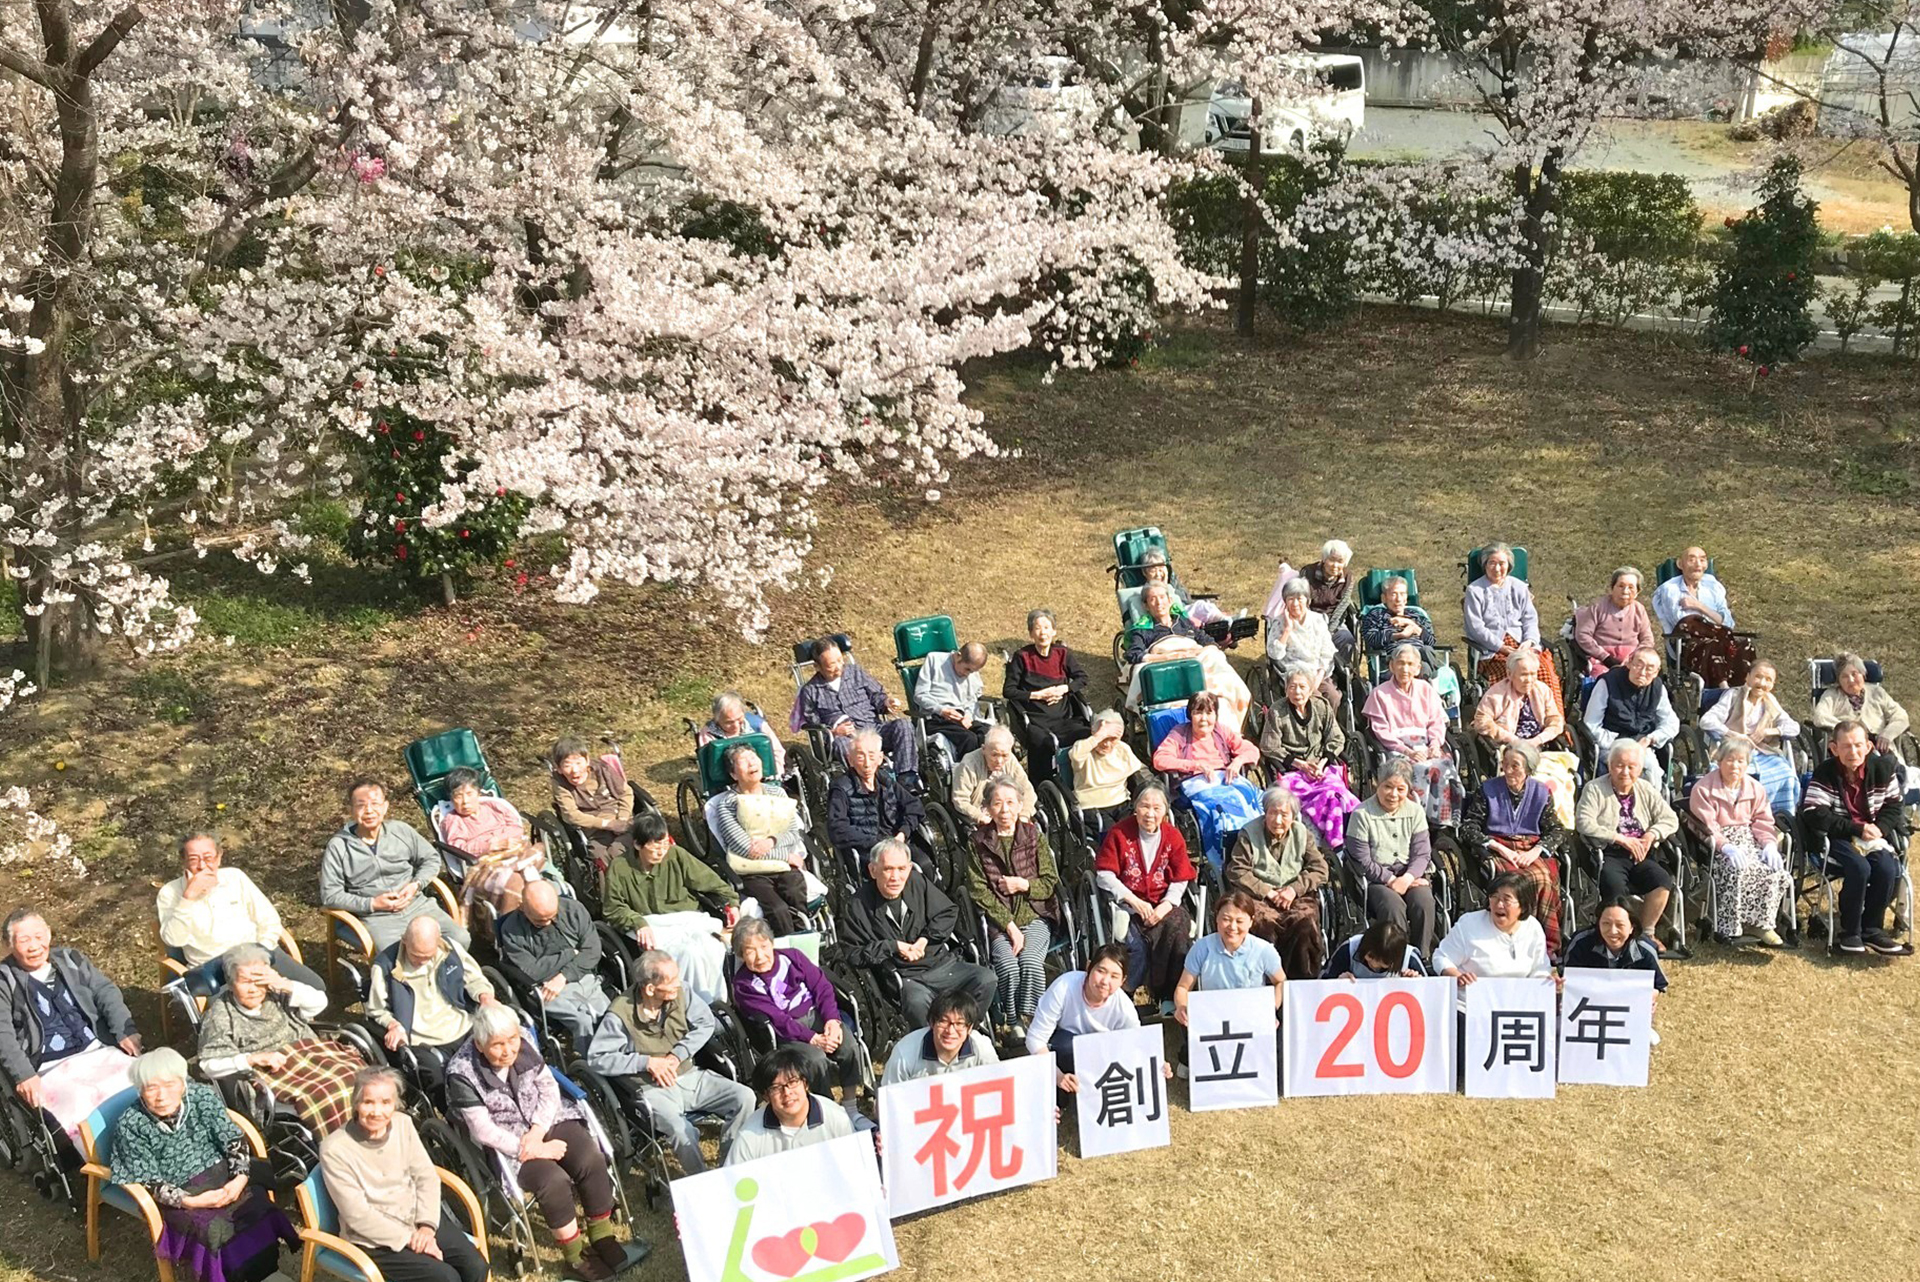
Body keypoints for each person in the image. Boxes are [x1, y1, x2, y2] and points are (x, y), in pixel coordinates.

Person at [445, 1004, 628, 1278]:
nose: (508, 1050)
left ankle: (602, 1235)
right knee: (553, 1181)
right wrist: (530, 1147)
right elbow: (482, 1130)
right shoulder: (461, 1072)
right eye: (497, 1045)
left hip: (547, 1118)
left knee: (591, 1157)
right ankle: (575, 1255)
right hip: (506, 1140)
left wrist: (539, 1130)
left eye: (512, 1040)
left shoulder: (525, 1042)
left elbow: (548, 1087)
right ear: (480, 1044)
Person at [106, 1048, 298, 1282]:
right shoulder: (130, 1124)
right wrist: (190, 1201)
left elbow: (232, 1138)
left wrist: (239, 1179)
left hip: (222, 1173)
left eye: (169, 1084)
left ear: (183, 1082)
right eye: (151, 1087)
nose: (161, 1096)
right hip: (179, 1192)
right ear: (140, 1090)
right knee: (213, 1230)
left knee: (256, 1206)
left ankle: (267, 1271)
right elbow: (148, 1178)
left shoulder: (201, 1096)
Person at [582, 951, 757, 1171]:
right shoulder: (620, 1015)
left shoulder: (682, 992)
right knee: (680, 1130)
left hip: (690, 1076)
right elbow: (598, 1058)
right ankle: (700, 1178)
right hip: (651, 1089)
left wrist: (678, 1054)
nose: (678, 983)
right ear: (650, 989)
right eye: (671, 980)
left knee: (745, 1097)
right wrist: (646, 1063)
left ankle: (730, 1167)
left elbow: (705, 1023)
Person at [319, 1068, 489, 1282]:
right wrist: (411, 1239)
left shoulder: (403, 1124)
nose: (376, 1112)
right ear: (355, 1104)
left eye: (385, 1103)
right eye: (368, 1102)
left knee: (476, 1266)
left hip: (418, 1217)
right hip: (375, 1237)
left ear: (395, 1104)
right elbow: (358, 1215)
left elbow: (426, 1176)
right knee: (445, 1278)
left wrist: (426, 1228)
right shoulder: (334, 1148)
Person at [0, 910, 141, 1143]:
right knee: (83, 1101)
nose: (34, 946)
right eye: (24, 940)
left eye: (39, 936)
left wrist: (124, 1030)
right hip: (50, 1066)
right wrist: (23, 1074)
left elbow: (105, 992)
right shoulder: (4, 981)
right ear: (9, 945)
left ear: (49, 934)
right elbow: (2, 1033)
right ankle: (107, 1156)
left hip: (97, 1050)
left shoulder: (71, 959)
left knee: (138, 1081)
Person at [197, 944, 365, 1136]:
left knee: (361, 1078)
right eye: (245, 982)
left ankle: (371, 1130)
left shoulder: (277, 993)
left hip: (310, 1055)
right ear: (231, 982)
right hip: (271, 1074)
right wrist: (252, 1059)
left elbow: (319, 1004)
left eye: (259, 981)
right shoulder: (221, 1015)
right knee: (327, 1093)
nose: (253, 989)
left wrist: (287, 985)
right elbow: (208, 1064)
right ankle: (341, 1143)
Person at [840, 839, 997, 1026]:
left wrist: (924, 940)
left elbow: (947, 912)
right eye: (888, 869)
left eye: (901, 869)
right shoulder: (857, 905)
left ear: (909, 868)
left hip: (943, 965)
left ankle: (962, 1031)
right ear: (873, 870)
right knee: (916, 1003)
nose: (895, 877)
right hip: (907, 977)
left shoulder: (917, 882)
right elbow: (853, 954)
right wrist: (893, 946)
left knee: (986, 979)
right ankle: (932, 1045)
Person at [157, 831, 325, 997]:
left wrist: (261, 954)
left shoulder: (235, 878)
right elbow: (174, 940)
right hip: (215, 968)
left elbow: (269, 920)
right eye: (194, 859)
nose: (202, 866)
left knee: (314, 988)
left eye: (208, 858)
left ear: (219, 857)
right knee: (237, 1013)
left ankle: (298, 1023)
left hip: (257, 952)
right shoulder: (170, 893)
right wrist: (188, 898)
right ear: (183, 861)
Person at [1801, 720, 1912, 955]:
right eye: (1846, 746)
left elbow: (1894, 806)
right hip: (1835, 835)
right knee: (1859, 868)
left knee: (1887, 868)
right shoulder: (1826, 772)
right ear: (1834, 748)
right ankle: (1849, 932)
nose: (1853, 752)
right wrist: (1856, 829)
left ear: (1869, 746)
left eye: (1858, 745)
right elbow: (1813, 813)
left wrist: (1880, 828)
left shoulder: (1883, 768)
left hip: (1873, 834)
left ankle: (1872, 929)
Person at [320, 778, 470, 952]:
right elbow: (330, 895)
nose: (369, 811)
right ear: (351, 810)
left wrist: (416, 884)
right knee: (393, 955)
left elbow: (431, 858)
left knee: (460, 938)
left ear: (385, 807)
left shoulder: (401, 831)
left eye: (375, 804)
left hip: (417, 906)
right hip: (377, 917)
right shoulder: (338, 846)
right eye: (361, 805)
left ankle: (445, 976)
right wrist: (372, 903)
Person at [603, 812, 736, 1006]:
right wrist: (637, 922)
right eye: (655, 846)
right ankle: (696, 1005)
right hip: (652, 924)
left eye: (664, 844)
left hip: (687, 917)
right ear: (638, 845)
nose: (661, 851)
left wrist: (731, 902)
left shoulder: (676, 855)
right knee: (688, 953)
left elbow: (711, 881)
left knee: (711, 946)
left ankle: (720, 1002)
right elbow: (613, 908)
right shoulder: (620, 867)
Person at [728, 918, 864, 1102]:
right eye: (750, 951)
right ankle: (828, 1107)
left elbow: (821, 987)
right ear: (741, 955)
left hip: (816, 1014)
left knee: (848, 1044)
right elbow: (777, 1019)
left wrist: (832, 1020)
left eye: (764, 946)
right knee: (815, 1059)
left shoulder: (792, 957)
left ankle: (850, 1104)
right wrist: (813, 1039)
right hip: (786, 1032)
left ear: (772, 943)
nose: (760, 956)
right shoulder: (744, 985)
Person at [966, 781, 1060, 1036]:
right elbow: (978, 890)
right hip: (999, 922)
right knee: (1008, 966)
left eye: (1010, 802)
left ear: (1020, 805)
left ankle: (1031, 1017)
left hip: (1036, 914)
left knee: (1029, 961)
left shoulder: (1032, 835)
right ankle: (1011, 1019)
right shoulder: (978, 841)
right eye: (997, 803)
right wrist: (1009, 926)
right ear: (987, 808)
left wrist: (1023, 885)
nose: (1004, 809)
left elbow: (1050, 881)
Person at [1093, 786, 1195, 1012]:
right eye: (1145, 806)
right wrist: (1133, 901)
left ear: (1165, 812)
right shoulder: (1119, 833)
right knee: (1134, 944)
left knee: (1177, 930)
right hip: (1128, 904)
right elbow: (1104, 874)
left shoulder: (1172, 836)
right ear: (1135, 809)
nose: (1150, 813)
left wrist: (1166, 905)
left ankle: (1168, 996)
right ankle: (1125, 994)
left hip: (1163, 902)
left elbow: (1181, 877)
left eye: (1157, 808)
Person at [1460, 744, 1567, 958]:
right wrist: (1497, 847)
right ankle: (1510, 940)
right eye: (1504, 765)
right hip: (1498, 846)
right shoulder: (1487, 789)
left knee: (1543, 878)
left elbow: (1556, 829)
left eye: (1515, 766)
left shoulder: (1541, 791)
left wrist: (1537, 850)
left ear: (1528, 768)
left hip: (1530, 847)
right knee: (1512, 883)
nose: (1508, 771)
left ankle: (1546, 946)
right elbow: (1468, 827)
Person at [1574, 741, 1680, 950]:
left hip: (1641, 853)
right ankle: (1617, 936)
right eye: (1619, 765)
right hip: (1609, 853)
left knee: (1661, 880)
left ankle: (1646, 933)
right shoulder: (1594, 788)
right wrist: (1619, 838)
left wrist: (1651, 834)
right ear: (1610, 765)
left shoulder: (1645, 788)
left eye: (1631, 767)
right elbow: (1583, 821)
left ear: (1640, 769)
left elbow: (1671, 819)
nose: (1625, 772)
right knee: (1614, 886)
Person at [367, 917, 496, 1085]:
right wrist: (393, 1025)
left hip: (461, 1023)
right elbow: (377, 1010)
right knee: (441, 1080)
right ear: (404, 940)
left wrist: (485, 997)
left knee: (497, 1052)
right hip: (420, 1039)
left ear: (438, 941)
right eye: (416, 956)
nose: (422, 962)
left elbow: (475, 979)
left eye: (428, 956)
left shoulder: (451, 949)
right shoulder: (385, 966)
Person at [1688, 740, 1791, 946]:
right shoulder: (1704, 788)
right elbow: (1706, 825)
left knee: (1775, 871)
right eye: (1730, 760)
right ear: (1719, 761)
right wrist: (1725, 846)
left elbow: (1763, 821)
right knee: (1736, 870)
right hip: (1717, 844)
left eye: (1740, 761)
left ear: (1747, 764)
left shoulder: (1755, 788)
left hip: (1749, 839)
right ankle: (1729, 926)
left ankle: (1762, 925)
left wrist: (1769, 844)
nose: (1735, 766)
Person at [1225, 788, 1330, 978]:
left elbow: (1320, 868)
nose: (1278, 820)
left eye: (1284, 814)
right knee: (1264, 922)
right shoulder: (1249, 833)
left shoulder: (1302, 834)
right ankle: (1264, 979)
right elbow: (1237, 870)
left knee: (1304, 921)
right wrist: (1268, 892)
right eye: (1273, 813)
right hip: (1259, 895)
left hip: (1296, 894)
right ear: (1265, 812)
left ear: (1293, 816)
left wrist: (1294, 889)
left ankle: (1300, 981)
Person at [712, 743, 813, 934]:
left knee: (794, 892)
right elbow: (746, 848)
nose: (752, 763)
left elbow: (792, 832)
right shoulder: (726, 804)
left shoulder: (778, 793)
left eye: (753, 757)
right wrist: (785, 856)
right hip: (753, 871)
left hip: (784, 868)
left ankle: (805, 939)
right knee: (777, 909)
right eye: (744, 760)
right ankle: (790, 949)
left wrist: (771, 841)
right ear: (733, 774)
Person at [494, 880, 610, 1048]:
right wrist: (570, 953)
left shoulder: (574, 910)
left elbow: (592, 951)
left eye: (552, 917)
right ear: (522, 907)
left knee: (609, 1014)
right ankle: (592, 1063)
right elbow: (534, 971)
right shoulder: (512, 930)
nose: (547, 923)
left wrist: (563, 976)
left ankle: (618, 1055)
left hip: (581, 975)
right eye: (540, 921)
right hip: (546, 988)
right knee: (583, 1021)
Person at [1152, 691, 1261, 869]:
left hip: (1227, 777)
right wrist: (1195, 765)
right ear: (1190, 715)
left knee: (1257, 799)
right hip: (1198, 782)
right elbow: (1160, 760)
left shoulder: (1221, 730)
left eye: (1209, 713)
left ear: (1215, 715)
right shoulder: (1180, 732)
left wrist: (1238, 761)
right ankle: (1225, 857)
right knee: (1221, 808)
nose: (1204, 719)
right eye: (1198, 712)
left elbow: (1252, 750)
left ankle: (1258, 848)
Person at [1470, 647, 1578, 823]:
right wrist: (1513, 740)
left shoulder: (1541, 690)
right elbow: (1481, 721)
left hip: (1538, 748)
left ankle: (1554, 824)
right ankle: (1523, 823)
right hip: (1510, 749)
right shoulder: (1497, 693)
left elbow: (1556, 721)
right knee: (1531, 780)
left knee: (1559, 780)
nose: (1529, 680)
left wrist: (1538, 740)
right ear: (1509, 674)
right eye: (1523, 674)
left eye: (1533, 674)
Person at [1257, 665, 1359, 849]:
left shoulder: (1321, 706)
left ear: (1311, 689)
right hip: (1293, 771)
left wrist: (1321, 763)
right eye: (1292, 686)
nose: (1297, 691)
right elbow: (1269, 745)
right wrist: (1300, 764)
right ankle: (1334, 844)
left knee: (1338, 795)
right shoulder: (1277, 711)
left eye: (1302, 687)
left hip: (1321, 768)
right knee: (1328, 796)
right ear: (1286, 688)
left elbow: (1336, 737)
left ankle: (1351, 837)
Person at [1345, 759, 1439, 957]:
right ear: (1377, 785)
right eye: (1387, 787)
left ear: (1408, 789)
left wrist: (1407, 878)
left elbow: (1422, 853)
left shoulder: (1415, 811)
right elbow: (1361, 858)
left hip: (1410, 876)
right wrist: (1390, 880)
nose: (1393, 794)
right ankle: (1396, 958)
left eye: (1400, 789)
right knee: (1392, 905)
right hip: (1376, 879)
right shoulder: (1361, 814)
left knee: (1424, 902)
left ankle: (1421, 958)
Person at [792, 639, 918, 786]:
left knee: (903, 725)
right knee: (841, 745)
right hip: (846, 738)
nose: (839, 667)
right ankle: (870, 784)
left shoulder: (855, 672)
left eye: (840, 660)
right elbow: (814, 725)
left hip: (873, 729)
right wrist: (834, 732)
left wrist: (886, 703)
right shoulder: (811, 691)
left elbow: (876, 695)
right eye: (832, 665)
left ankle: (907, 780)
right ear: (817, 667)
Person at [1361, 643, 1463, 824]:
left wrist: (1434, 744)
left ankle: (1443, 820)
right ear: (1391, 666)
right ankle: (1415, 819)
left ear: (1418, 668)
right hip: (1397, 748)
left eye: (1410, 664)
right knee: (1419, 769)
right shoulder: (1379, 694)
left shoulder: (1426, 689)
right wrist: (1408, 751)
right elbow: (1381, 731)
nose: (1405, 668)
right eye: (1400, 663)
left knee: (1445, 765)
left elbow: (1436, 721)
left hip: (1427, 744)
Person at [1025, 945, 1141, 1092]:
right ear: (1088, 968)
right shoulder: (1064, 987)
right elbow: (1035, 1040)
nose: (1105, 981)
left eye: (1114, 976)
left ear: (1122, 981)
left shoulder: (1124, 1007)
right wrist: (1058, 1076)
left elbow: (1137, 1043)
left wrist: (1157, 1064)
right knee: (1065, 1045)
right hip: (1063, 1049)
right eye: (1101, 971)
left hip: (1101, 1057)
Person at [434, 767, 549, 915]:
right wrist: (491, 845)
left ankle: (525, 877)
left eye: (469, 794)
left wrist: (503, 840)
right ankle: (510, 923)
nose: (465, 801)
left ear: (478, 792)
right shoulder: (453, 820)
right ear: (451, 798)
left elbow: (516, 827)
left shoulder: (494, 806)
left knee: (538, 850)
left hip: (512, 851)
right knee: (514, 882)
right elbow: (460, 847)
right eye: (458, 796)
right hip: (484, 864)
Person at [1001, 608, 1092, 782]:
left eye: (1046, 627)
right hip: (1036, 719)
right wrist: (1038, 695)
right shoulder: (1022, 657)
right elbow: (1009, 691)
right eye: (1037, 628)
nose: (1043, 632)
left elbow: (1082, 678)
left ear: (1054, 631)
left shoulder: (1062, 654)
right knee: (1043, 743)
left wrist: (1064, 689)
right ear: (1031, 634)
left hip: (1064, 716)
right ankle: (1041, 785)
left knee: (1086, 734)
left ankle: (1081, 779)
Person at [1699, 660, 1801, 813]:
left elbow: (1794, 727)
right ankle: (1742, 814)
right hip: (1733, 751)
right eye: (1758, 677)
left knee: (1786, 774)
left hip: (1762, 752)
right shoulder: (1733, 695)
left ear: (1773, 685)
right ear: (1747, 678)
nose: (1762, 683)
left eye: (1768, 680)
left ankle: (1779, 815)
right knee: (1743, 777)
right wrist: (1733, 735)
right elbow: (1706, 721)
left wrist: (1769, 732)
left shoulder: (1770, 700)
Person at [725, 1047, 858, 1165]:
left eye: (793, 1082)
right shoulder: (749, 1135)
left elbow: (854, 1166)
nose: (787, 1092)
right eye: (776, 1088)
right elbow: (734, 1182)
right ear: (766, 1096)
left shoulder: (837, 1119)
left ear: (805, 1084)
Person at [1431, 874, 1551, 1000]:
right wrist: (1457, 977)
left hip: (1517, 1004)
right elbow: (1441, 958)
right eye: (1494, 897)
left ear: (1523, 906)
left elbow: (1540, 969)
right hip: (1471, 1003)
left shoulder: (1532, 927)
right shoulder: (1469, 924)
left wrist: (1548, 983)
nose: (1499, 904)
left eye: (1506, 899)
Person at [1562, 900, 1669, 1041]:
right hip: (1586, 1012)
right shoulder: (1581, 943)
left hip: (1628, 1014)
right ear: (1598, 923)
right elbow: (1568, 979)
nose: (1612, 931)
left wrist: (1649, 998)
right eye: (1606, 923)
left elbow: (1658, 985)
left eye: (1620, 925)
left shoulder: (1645, 949)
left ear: (1632, 927)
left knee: (1651, 1040)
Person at [1172, 893, 1285, 1024]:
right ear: (1217, 919)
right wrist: (1182, 1007)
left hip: (1251, 1017)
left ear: (1251, 922)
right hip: (1214, 1017)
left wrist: (1271, 1009)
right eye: (1226, 919)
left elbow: (1281, 982)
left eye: (1239, 921)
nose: (1232, 927)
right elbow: (1183, 987)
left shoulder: (1263, 950)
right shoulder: (1201, 948)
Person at [1808, 653, 1914, 793]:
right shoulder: (1832, 695)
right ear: (1838, 680)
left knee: (1888, 764)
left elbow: (1901, 716)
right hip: (1850, 750)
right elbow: (1820, 717)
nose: (1851, 680)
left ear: (1863, 674)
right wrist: (1850, 731)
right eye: (1844, 676)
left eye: (1855, 674)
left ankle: (1892, 798)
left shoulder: (1877, 692)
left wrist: (1887, 734)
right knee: (1881, 767)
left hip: (1881, 746)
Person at [1462, 542, 1560, 691]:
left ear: (1509, 565)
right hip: (1494, 650)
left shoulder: (1519, 587)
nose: (1497, 568)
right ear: (1485, 565)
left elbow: (1530, 619)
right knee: (1509, 677)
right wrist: (1501, 647)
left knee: (1543, 672)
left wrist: (1529, 641)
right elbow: (1476, 627)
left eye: (1502, 563)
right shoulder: (1475, 590)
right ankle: (1510, 713)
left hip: (1523, 646)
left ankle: (1547, 714)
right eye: (1492, 563)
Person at [1651, 547, 1751, 689]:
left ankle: (1746, 691)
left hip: (1721, 639)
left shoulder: (1713, 587)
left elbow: (1728, 622)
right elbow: (1682, 621)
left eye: (1702, 559)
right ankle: (1724, 691)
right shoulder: (1670, 589)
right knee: (1701, 632)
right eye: (1691, 559)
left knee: (1745, 644)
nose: (1698, 564)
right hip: (1687, 644)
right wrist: (1715, 620)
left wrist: (1699, 606)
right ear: (1680, 564)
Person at [1581, 647, 1681, 783]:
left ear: (1656, 672)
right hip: (1611, 742)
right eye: (1639, 665)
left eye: (1650, 668)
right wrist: (1616, 742)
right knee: (1623, 768)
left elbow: (1671, 723)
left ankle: (1650, 802)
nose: (1643, 672)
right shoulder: (1607, 683)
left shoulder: (1658, 688)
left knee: (1650, 770)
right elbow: (1590, 724)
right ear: (1629, 663)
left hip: (1641, 744)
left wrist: (1651, 739)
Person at [549, 737, 634, 878]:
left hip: (622, 818)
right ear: (558, 768)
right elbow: (571, 815)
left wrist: (623, 819)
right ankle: (611, 895)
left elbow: (626, 793)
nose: (575, 770)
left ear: (587, 761)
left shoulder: (603, 770)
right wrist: (608, 824)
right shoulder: (560, 783)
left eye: (578, 763)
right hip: (595, 829)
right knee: (600, 856)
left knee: (619, 849)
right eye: (567, 765)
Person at [881, 991, 999, 1084]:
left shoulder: (982, 1048)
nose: (950, 1031)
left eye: (959, 1024)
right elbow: (888, 1101)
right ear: (932, 1022)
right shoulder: (905, 1053)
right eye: (943, 1022)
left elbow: (998, 1087)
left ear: (969, 1028)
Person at [1066, 711, 1148, 836]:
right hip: (1092, 806)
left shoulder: (1122, 749)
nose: (1106, 744)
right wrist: (1098, 736)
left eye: (1113, 739)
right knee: (1115, 836)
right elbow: (1076, 756)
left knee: (1138, 830)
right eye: (1104, 738)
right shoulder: (1084, 749)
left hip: (1121, 803)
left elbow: (1140, 770)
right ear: (1094, 733)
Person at [1573, 567, 1658, 676]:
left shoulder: (1639, 609)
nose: (1625, 591)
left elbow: (1647, 638)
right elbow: (1583, 635)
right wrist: (1605, 657)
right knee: (1603, 677)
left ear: (1638, 592)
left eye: (1631, 587)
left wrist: (1635, 656)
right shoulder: (1598, 607)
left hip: (1634, 660)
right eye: (1621, 586)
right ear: (1612, 587)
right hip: (1602, 659)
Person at [1265, 578, 1338, 702]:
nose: (1295, 604)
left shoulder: (1318, 620)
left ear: (1307, 601)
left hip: (1316, 672)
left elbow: (1327, 652)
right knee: (1315, 699)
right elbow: (1274, 655)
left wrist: (1319, 677)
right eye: (1290, 599)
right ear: (1285, 602)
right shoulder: (1279, 622)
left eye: (1299, 599)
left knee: (1333, 696)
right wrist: (1287, 629)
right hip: (1294, 674)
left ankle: (1328, 721)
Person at [913, 641, 990, 760]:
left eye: (972, 672)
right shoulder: (934, 660)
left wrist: (968, 716)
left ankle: (987, 773)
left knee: (989, 734)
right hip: (936, 717)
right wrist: (941, 710)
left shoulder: (972, 672)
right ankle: (964, 774)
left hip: (961, 717)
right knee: (969, 739)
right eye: (967, 669)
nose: (967, 674)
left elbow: (972, 700)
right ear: (958, 655)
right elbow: (920, 695)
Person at [950, 725, 1039, 827]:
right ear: (984, 749)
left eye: (1004, 755)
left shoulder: (1010, 760)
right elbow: (960, 800)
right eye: (994, 755)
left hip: (1009, 812)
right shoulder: (969, 764)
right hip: (982, 813)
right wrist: (979, 816)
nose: (999, 761)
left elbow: (1027, 790)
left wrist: (1024, 815)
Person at [700, 691, 787, 779]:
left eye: (739, 719)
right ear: (717, 719)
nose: (736, 725)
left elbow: (777, 751)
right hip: (727, 782)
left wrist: (776, 771)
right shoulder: (708, 733)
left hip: (763, 775)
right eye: (729, 722)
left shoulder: (758, 725)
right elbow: (708, 766)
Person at [1359, 576, 1439, 670]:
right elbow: (1371, 640)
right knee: (1424, 668)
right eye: (1394, 594)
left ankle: (1429, 678)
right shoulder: (1376, 615)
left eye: (1402, 594)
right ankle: (1431, 680)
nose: (1399, 599)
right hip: (1394, 661)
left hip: (1419, 656)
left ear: (1406, 598)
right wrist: (1400, 635)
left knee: (1427, 650)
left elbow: (1431, 641)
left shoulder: (1418, 615)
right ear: (1384, 598)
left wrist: (1413, 626)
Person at [1124, 581, 1212, 666]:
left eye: (1162, 597)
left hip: (1194, 660)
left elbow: (1208, 642)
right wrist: (1166, 657)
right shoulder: (1144, 629)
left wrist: (1198, 652)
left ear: (1170, 601)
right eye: (1152, 599)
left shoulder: (1183, 622)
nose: (1159, 603)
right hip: (1165, 666)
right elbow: (1133, 653)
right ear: (1146, 606)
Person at [1321, 919, 1430, 979]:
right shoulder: (1348, 949)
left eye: (1382, 964)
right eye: (1370, 957)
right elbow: (1320, 983)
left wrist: (1418, 983)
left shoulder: (1409, 958)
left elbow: (1431, 992)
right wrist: (1336, 981)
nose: (1374, 965)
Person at [1301, 538, 1356, 653]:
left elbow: (1342, 606)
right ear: (1324, 559)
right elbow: (1302, 603)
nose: (1335, 565)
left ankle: (1339, 670)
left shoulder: (1348, 578)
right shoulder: (1307, 573)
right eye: (1332, 560)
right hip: (1310, 619)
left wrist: (1329, 631)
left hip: (1334, 620)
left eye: (1340, 561)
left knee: (1346, 638)